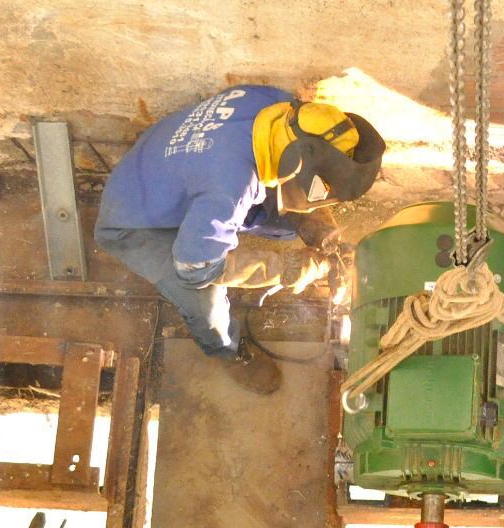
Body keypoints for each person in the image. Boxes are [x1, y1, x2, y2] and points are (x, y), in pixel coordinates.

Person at [94, 84, 385, 393]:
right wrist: (289, 269)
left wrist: (322, 231)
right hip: (133, 221)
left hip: (164, 163)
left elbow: (291, 167)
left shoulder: (279, 108)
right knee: (203, 297)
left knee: (283, 213)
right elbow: (196, 268)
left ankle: (251, 225)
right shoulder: (228, 189)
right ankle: (227, 352)